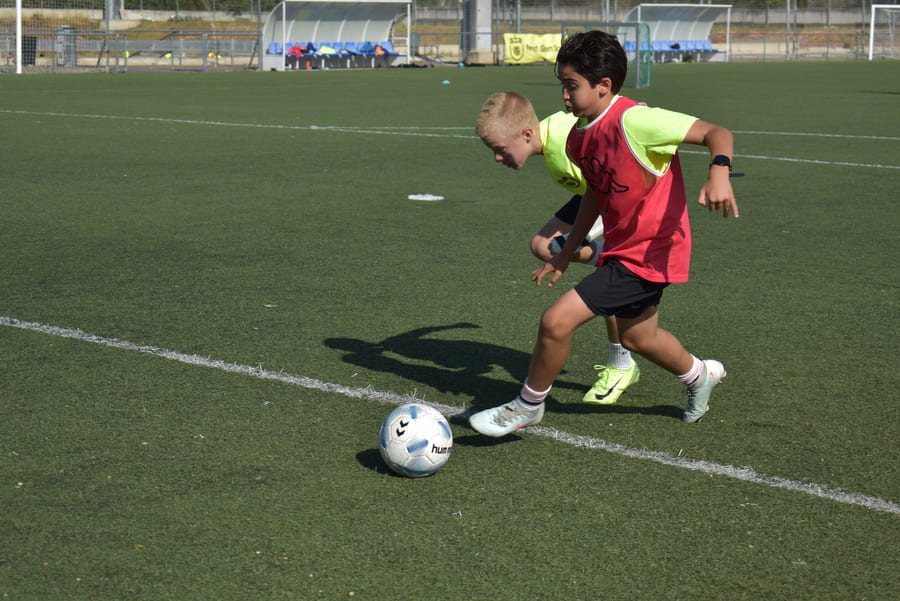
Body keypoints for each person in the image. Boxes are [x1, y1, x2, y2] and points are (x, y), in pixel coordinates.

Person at [470, 30, 739, 436]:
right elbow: (594, 194)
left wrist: (719, 171)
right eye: (562, 85)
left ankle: (527, 406)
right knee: (638, 338)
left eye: (571, 86)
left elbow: (718, 132)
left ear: (604, 86)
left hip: (651, 253)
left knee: (556, 322)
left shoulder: (637, 120)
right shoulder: (580, 137)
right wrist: (565, 252)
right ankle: (700, 376)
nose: (563, 96)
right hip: (624, 250)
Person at [476, 91, 640, 406]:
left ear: (526, 135)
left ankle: (621, 364)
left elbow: (613, 182)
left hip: (622, 197)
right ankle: (609, 261)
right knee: (541, 245)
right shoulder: (552, 136)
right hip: (594, 193)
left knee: (607, 274)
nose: (497, 158)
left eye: (499, 149)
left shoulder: (565, 149)